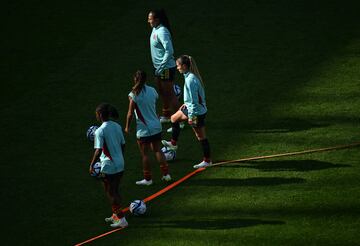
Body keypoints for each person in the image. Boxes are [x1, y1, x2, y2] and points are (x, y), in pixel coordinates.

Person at [162, 55, 212, 168]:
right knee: (173, 118)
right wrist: (186, 103)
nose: (177, 68)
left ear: (184, 66)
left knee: (201, 137)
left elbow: (195, 101)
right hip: (193, 108)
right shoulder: (190, 76)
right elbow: (197, 97)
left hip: (196, 112)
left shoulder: (190, 80)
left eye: (178, 66)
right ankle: (173, 143)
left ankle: (207, 161)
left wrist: (191, 117)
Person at [125, 70, 171, 185]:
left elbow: (130, 113)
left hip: (144, 130)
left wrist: (127, 127)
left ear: (135, 79)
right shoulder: (152, 90)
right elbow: (153, 104)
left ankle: (148, 179)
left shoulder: (133, 95)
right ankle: (166, 175)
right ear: (145, 79)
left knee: (145, 155)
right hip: (156, 125)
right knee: (157, 150)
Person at [89, 103, 128, 228]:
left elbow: (98, 150)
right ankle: (115, 214)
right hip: (120, 163)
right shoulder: (117, 126)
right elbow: (123, 144)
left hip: (109, 166)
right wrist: (119, 157)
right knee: (115, 190)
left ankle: (121, 219)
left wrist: (92, 164)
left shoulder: (100, 131)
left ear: (100, 115)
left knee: (110, 192)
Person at [148, 9, 180, 124]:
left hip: (165, 68)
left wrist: (161, 67)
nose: (148, 21)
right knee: (161, 91)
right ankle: (166, 115)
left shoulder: (162, 32)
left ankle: (179, 120)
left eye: (150, 19)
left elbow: (169, 50)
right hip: (158, 67)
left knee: (170, 93)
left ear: (157, 20)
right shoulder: (155, 29)